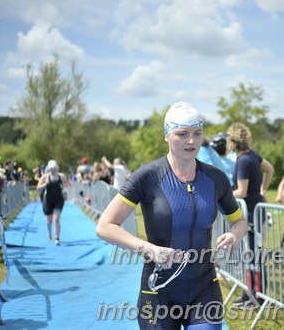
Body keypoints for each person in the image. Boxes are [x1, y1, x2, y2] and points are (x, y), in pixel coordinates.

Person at [96, 102, 247, 329]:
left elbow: (239, 221)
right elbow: (105, 226)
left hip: (204, 286)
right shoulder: (147, 176)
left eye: (197, 134)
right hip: (159, 292)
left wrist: (235, 234)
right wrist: (149, 249)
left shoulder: (216, 178)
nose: (191, 141)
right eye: (182, 134)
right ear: (167, 135)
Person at [226, 122, 274, 307]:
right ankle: (250, 292)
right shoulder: (251, 155)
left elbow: (242, 191)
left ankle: (257, 295)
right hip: (254, 210)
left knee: (253, 255)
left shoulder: (244, 160)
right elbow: (270, 169)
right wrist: (263, 189)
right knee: (250, 253)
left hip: (252, 212)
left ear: (232, 141)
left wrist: (223, 195)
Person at [37, 160, 67, 245]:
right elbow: (38, 188)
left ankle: (57, 238)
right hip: (48, 200)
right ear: (48, 169)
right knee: (48, 220)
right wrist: (45, 184)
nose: (53, 170)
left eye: (54, 168)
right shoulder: (45, 177)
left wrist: (64, 186)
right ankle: (49, 233)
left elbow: (67, 185)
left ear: (56, 168)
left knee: (56, 219)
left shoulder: (61, 176)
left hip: (59, 199)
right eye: (51, 169)